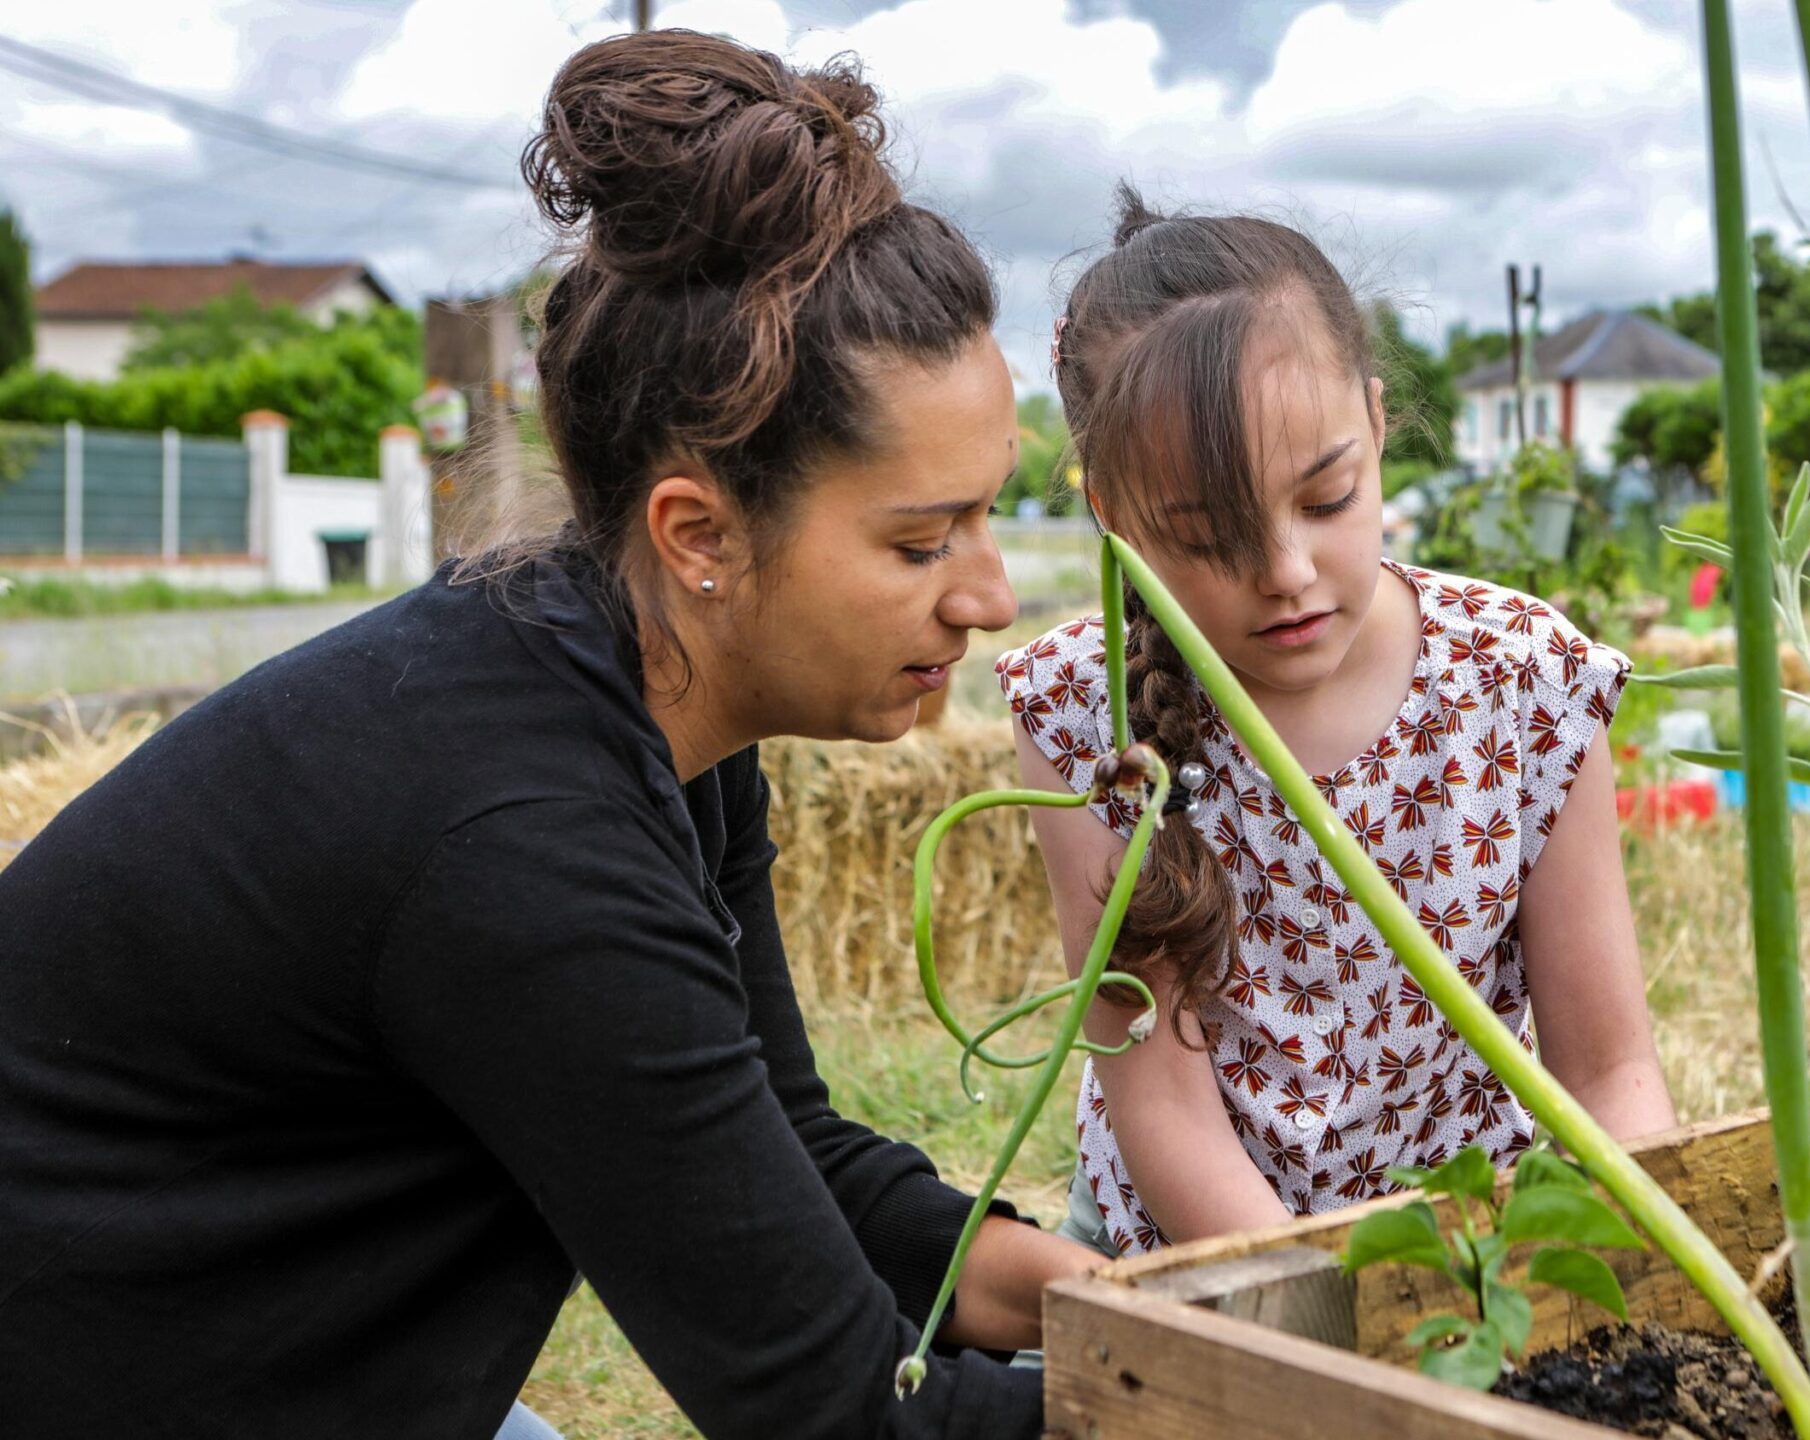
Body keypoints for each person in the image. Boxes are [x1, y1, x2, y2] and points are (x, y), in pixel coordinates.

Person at [0, 31, 1096, 1439]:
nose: (992, 595)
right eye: (920, 539)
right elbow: (835, 1416)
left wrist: (1088, 1299)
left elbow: (783, 1141)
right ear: (699, 534)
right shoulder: (523, 845)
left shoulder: (629, 692)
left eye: (989, 515)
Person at [996, 187, 1676, 1257]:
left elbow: (1608, 1072)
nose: (1286, 574)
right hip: (1193, 1260)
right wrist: (1332, 1319)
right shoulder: (1090, 711)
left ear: (1373, 419)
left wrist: (1635, 1267)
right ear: (1112, 518)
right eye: (1205, 535)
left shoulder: (1521, 681)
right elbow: (1165, 1112)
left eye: (1324, 501)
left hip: (1471, 1252)